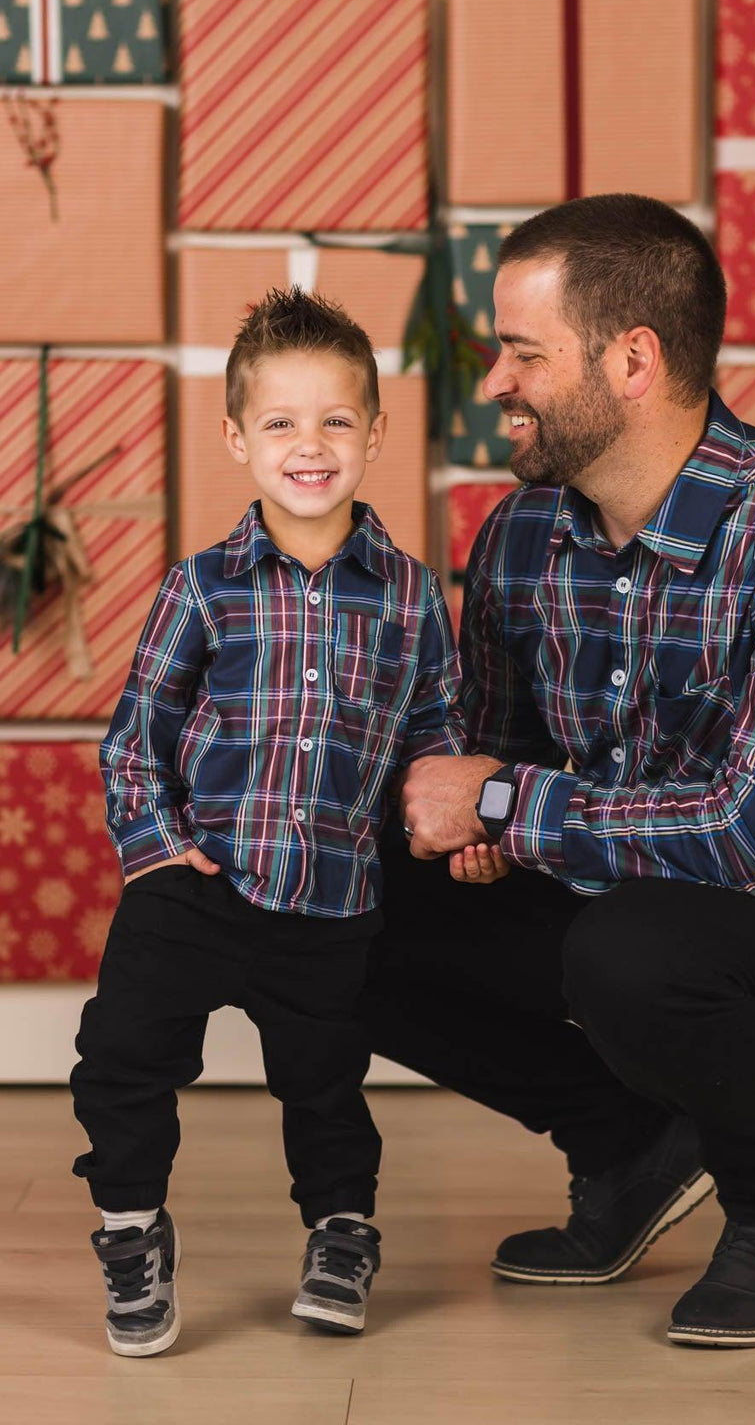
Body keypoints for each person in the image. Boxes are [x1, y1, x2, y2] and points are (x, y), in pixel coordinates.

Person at [363, 194, 755, 1348]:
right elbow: (502, 770)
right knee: (331, 906)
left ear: (632, 360)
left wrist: (500, 800)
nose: (495, 382)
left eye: (524, 352)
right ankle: (626, 1145)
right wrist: (465, 821)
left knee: (635, 948)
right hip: (626, 890)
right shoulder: (518, 536)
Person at [69, 287, 500, 1356]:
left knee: (324, 1083)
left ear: (375, 431)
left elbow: (433, 739)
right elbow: (134, 738)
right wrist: (159, 857)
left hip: (328, 894)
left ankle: (341, 1231)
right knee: (122, 1057)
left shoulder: (405, 595)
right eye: (280, 422)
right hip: (196, 882)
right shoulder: (201, 589)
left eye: (335, 420)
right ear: (236, 438)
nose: (310, 446)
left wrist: (456, 826)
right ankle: (129, 1229)